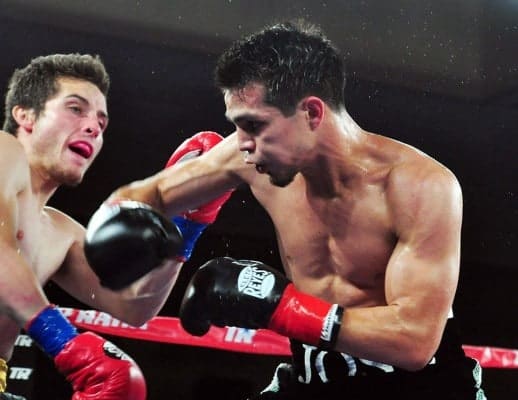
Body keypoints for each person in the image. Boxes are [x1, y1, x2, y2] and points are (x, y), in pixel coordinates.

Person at [109, 20, 486, 399]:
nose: (241, 144)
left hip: (422, 388)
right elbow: (142, 197)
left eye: (254, 125)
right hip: (313, 378)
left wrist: (278, 306)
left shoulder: (419, 185)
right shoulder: (246, 155)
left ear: (311, 113)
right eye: (238, 126)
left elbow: (414, 342)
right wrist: (175, 229)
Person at [0, 53, 232, 399]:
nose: (93, 127)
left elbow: (133, 306)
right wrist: (65, 343)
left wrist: (187, 224)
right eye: (75, 109)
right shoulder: (4, 149)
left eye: (101, 122)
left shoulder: (60, 232)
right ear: (25, 115)